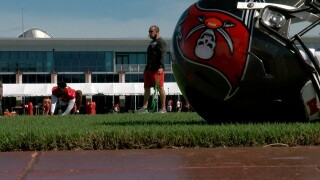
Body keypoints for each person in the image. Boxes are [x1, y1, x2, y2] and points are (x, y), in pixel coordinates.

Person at [136, 25, 167, 113]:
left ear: (156, 32)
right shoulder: (151, 42)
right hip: (149, 69)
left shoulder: (161, 42)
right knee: (146, 88)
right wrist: (146, 69)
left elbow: (162, 55)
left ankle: (163, 109)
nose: (149, 33)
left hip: (157, 69)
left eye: (151, 32)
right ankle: (144, 108)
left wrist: (161, 67)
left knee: (160, 88)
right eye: (149, 32)